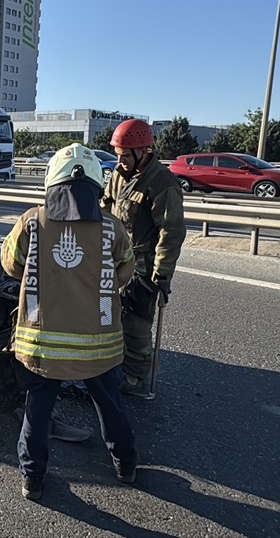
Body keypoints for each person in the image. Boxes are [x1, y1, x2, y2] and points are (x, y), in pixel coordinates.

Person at [1, 144, 138, 500]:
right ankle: (126, 464)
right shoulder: (112, 228)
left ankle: (32, 479)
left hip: (41, 347)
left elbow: (11, 265)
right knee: (111, 406)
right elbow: (126, 270)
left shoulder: (32, 222)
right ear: (97, 183)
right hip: (100, 346)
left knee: (38, 412)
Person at [100, 118, 186, 399]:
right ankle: (111, 366)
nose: (121, 160)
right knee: (108, 315)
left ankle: (135, 377)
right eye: (118, 155)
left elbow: (170, 233)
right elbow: (106, 209)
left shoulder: (161, 181)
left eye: (126, 155)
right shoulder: (118, 175)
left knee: (136, 321)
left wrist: (161, 277)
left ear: (143, 151)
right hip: (115, 257)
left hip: (143, 264)